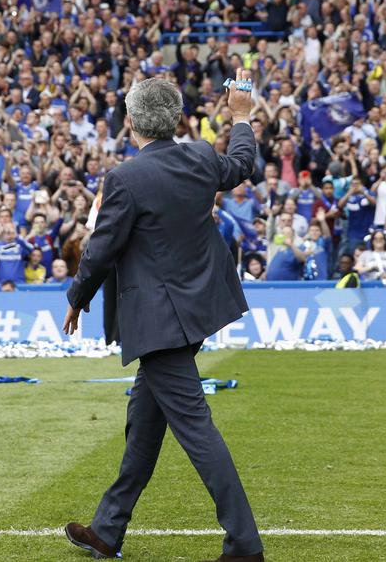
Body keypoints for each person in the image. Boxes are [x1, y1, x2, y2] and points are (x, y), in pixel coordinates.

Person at [62, 74, 263, 562]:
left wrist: (76, 296)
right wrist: (239, 115)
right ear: (175, 119)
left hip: (159, 320)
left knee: (196, 429)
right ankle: (108, 530)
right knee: (145, 423)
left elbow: (101, 249)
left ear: (130, 124)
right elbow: (240, 164)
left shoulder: (126, 178)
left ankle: (245, 545)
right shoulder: (199, 156)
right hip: (194, 309)